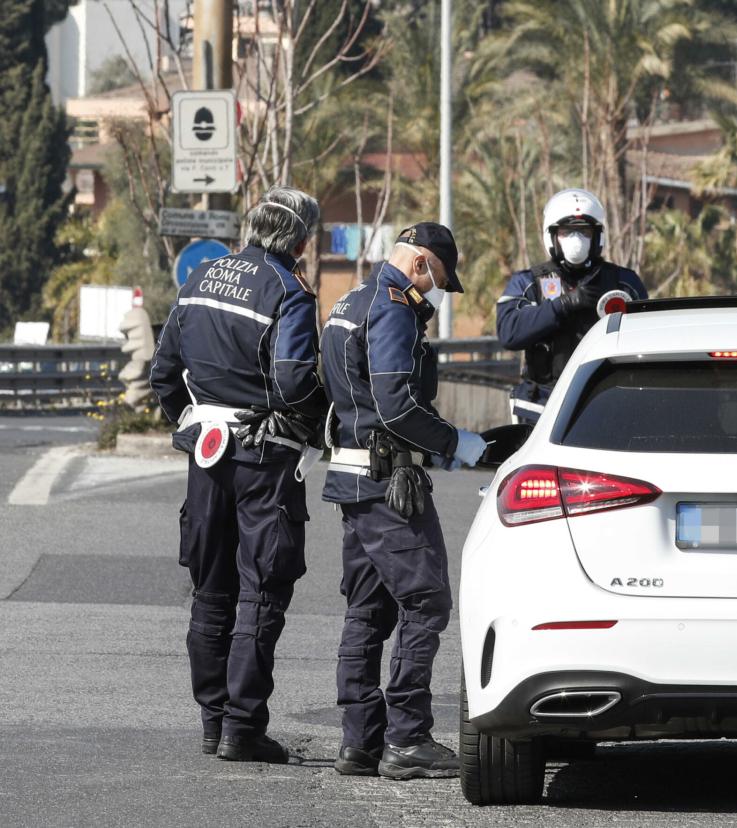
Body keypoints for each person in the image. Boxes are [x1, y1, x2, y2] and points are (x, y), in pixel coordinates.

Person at [150, 187, 327, 764]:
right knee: (261, 592)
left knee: (209, 592)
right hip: (265, 462)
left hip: (206, 456)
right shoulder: (290, 291)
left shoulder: (201, 277)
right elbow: (296, 381)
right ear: (301, 239)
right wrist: (310, 424)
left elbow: (163, 375)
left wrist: (192, 424)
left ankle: (212, 722)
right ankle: (243, 729)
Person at [319, 222, 487, 780]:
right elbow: (395, 404)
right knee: (426, 602)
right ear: (419, 265)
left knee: (368, 609)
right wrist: (456, 443)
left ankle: (360, 741)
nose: (437, 293)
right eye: (439, 280)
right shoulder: (392, 307)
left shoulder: (349, 301)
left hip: (353, 479)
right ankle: (407, 738)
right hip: (390, 481)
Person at [496, 188, 648, 423]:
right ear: (552, 236)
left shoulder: (624, 282)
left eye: (584, 231)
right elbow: (509, 332)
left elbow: (647, 336)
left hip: (608, 402)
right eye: (567, 231)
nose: (576, 240)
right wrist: (562, 305)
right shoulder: (529, 282)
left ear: (597, 236)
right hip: (543, 408)